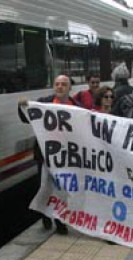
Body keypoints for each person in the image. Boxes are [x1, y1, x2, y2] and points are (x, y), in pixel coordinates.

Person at [19, 74, 76, 234]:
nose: (60, 87)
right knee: (44, 187)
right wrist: (21, 106)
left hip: (65, 157)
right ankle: (45, 214)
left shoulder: (75, 106)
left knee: (61, 190)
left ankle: (59, 221)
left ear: (69, 87)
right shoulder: (43, 103)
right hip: (44, 156)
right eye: (57, 84)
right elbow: (26, 117)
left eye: (63, 84)